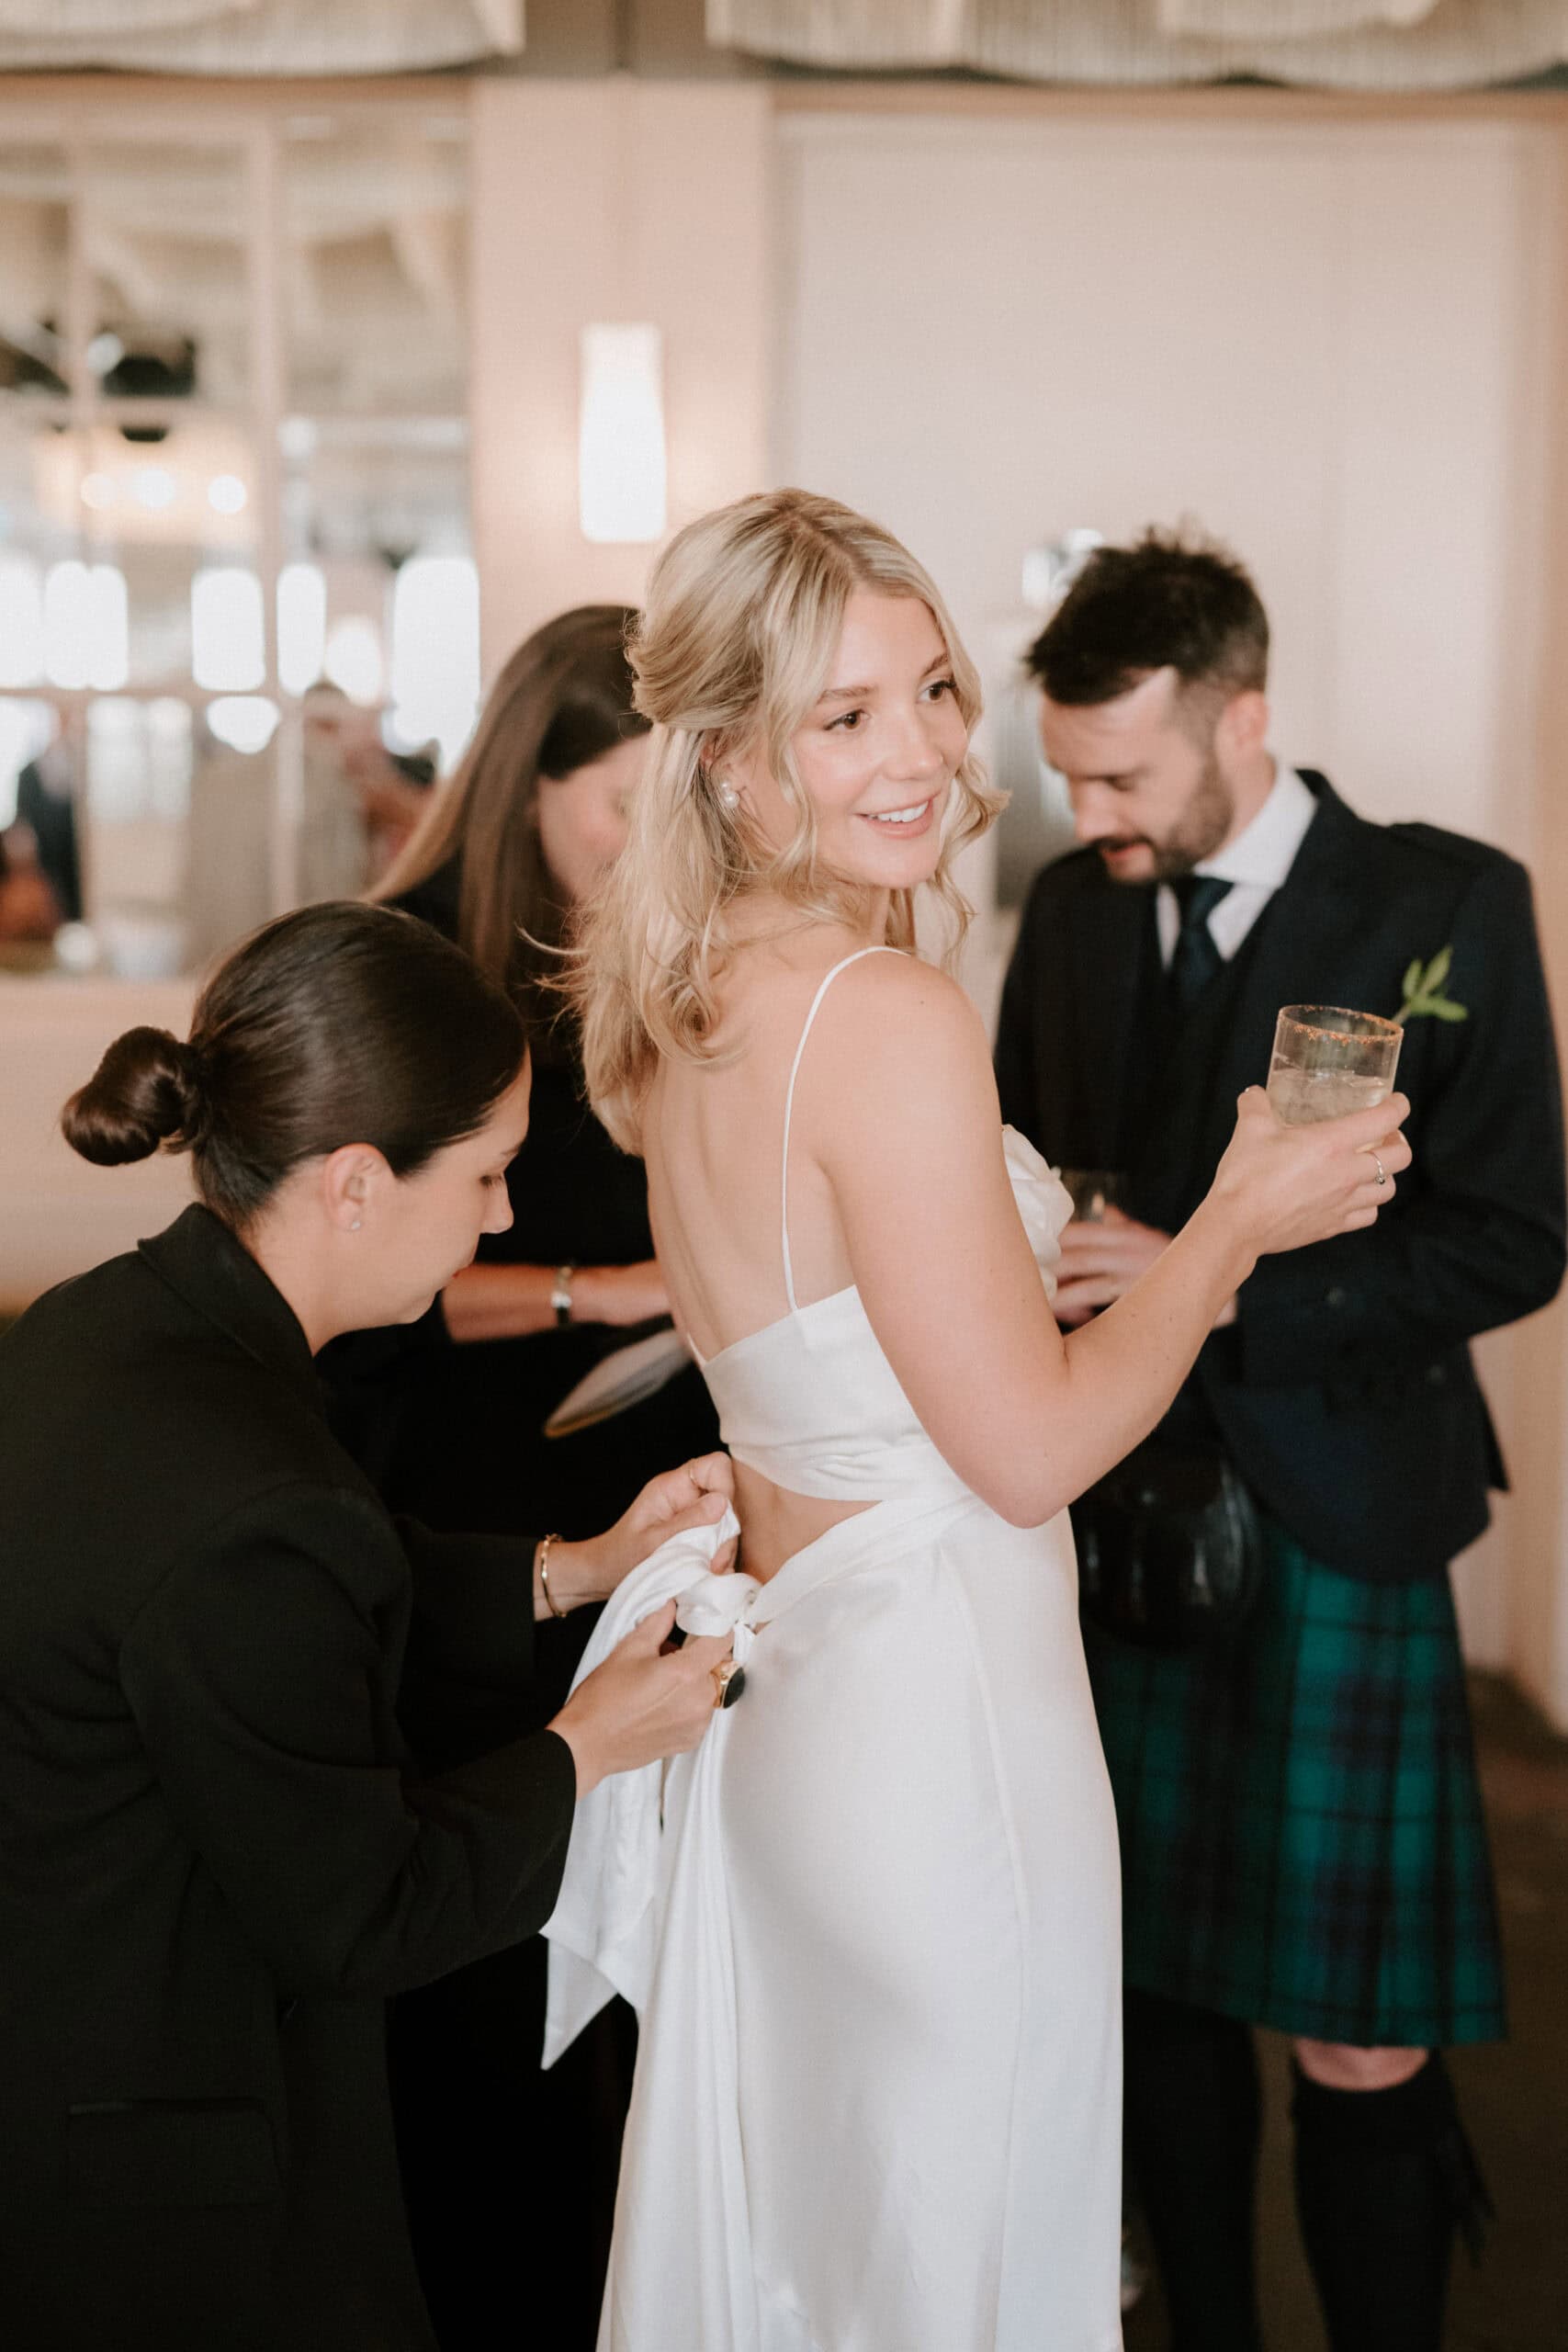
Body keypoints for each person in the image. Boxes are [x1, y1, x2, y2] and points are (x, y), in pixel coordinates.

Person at [565, 488, 1410, 2352]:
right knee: (957, 2257)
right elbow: (1022, 1449)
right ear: (722, 757)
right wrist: (1228, 1227)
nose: (928, 750)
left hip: (802, 1711)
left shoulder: (683, 998)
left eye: (933, 686)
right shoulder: (874, 1008)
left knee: (839, 2244)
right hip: (940, 1721)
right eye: (842, 714)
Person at [0, 899, 738, 2352]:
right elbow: (367, 1910)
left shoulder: (102, 1326)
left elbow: (293, 1597)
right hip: (169, 2171)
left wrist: (570, 1569)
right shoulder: (256, 1499)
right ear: (352, 1183)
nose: (502, 1219)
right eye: (483, 1178)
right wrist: (587, 1746)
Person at [995, 529, 1567, 2352]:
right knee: (1151, 1986)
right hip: (1110, 1502)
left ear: (1242, 715)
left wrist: (1221, 1277)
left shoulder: (1444, 901)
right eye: (1064, 770)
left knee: (1352, 2023)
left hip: (1337, 1513)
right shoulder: (1073, 904)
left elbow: (1513, 1234)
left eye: (1123, 770)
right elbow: (1016, 1156)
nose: (1088, 809)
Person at [321, 605, 721, 2349]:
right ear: (528, 779)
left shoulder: (667, 960)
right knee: (493, 1961)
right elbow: (350, 1292)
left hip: (648, 1496)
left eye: (677, 804)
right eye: (618, 803)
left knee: (635, 1960)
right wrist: (608, 1287)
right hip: (469, 1505)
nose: (647, 846)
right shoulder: (409, 962)